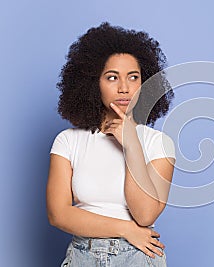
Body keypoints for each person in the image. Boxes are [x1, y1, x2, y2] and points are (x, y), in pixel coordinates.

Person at [46, 22, 176, 266]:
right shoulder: (68, 141)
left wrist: (132, 145)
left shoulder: (159, 144)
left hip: (138, 257)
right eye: (112, 77)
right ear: (93, 83)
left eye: (133, 77)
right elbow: (58, 214)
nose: (124, 88)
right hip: (82, 256)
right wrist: (125, 229)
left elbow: (145, 214)